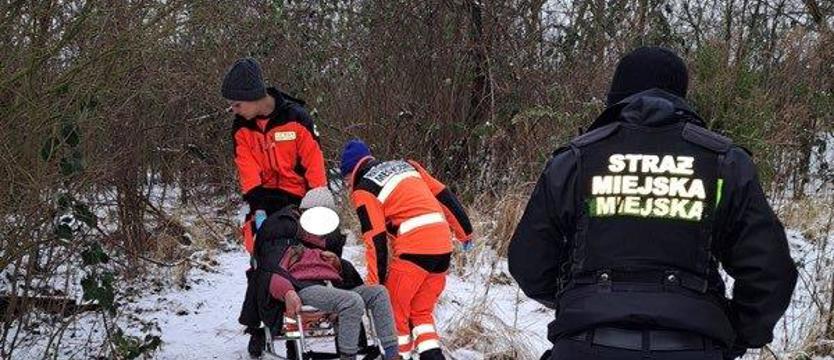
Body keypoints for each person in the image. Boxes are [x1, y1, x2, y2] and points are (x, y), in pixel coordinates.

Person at [508, 46, 797, 360]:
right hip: (695, 344)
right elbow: (770, 270)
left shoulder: (577, 159)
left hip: (586, 343)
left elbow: (529, 262)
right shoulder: (724, 163)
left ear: (616, 93)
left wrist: (581, 301)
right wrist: (735, 334)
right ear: (681, 94)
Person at [340, 140, 474, 360]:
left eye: (345, 179)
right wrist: (465, 232)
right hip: (442, 247)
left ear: (350, 172)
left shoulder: (364, 189)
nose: (346, 185)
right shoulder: (408, 165)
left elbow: (375, 239)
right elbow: (444, 195)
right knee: (420, 312)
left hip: (414, 250)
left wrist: (376, 286)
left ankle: (397, 355)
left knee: (393, 312)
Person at [221, 57, 327, 253]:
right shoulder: (241, 128)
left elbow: (314, 165)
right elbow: (248, 170)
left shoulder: (297, 119)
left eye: (237, 105)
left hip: (299, 200)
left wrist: (316, 206)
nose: (234, 111)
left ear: (253, 96)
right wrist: (258, 208)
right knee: (260, 255)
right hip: (264, 200)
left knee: (312, 255)